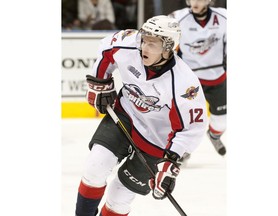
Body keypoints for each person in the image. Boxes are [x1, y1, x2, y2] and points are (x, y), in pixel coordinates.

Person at [75, 15, 208, 216]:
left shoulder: (184, 83)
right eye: (144, 40)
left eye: (152, 44)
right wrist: (100, 82)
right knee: (95, 166)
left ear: (168, 48)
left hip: (157, 141)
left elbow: (192, 128)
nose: (144, 47)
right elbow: (106, 50)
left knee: (119, 197)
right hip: (125, 117)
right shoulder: (129, 45)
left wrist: (170, 161)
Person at [169, 0, 227, 157]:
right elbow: (167, 46)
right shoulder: (176, 19)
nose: (195, 2)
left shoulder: (224, 17)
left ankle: (214, 135)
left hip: (217, 78)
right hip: (190, 80)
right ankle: (182, 149)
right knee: (185, 120)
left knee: (222, 122)